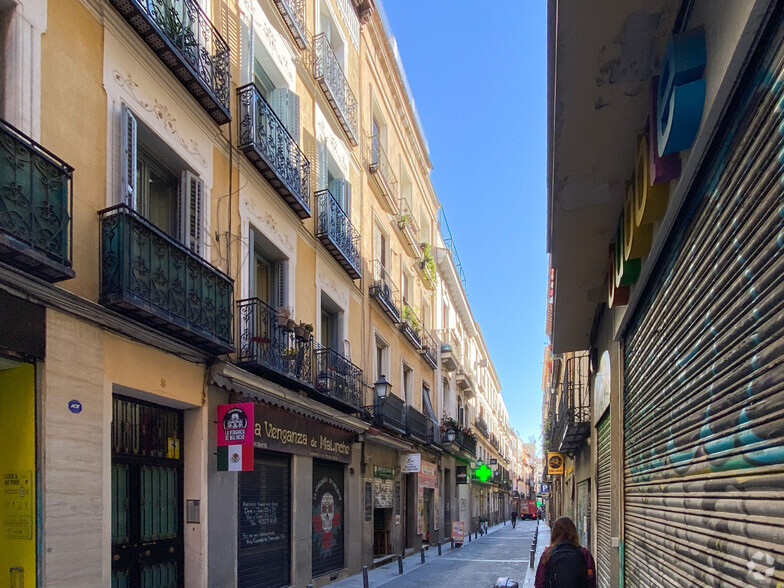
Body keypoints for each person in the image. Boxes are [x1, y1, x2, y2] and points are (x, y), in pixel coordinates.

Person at [534, 517, 595, 588]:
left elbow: (539, 583)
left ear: (554, 533)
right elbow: (591, 582)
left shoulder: (547, 555)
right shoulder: (584, 554)